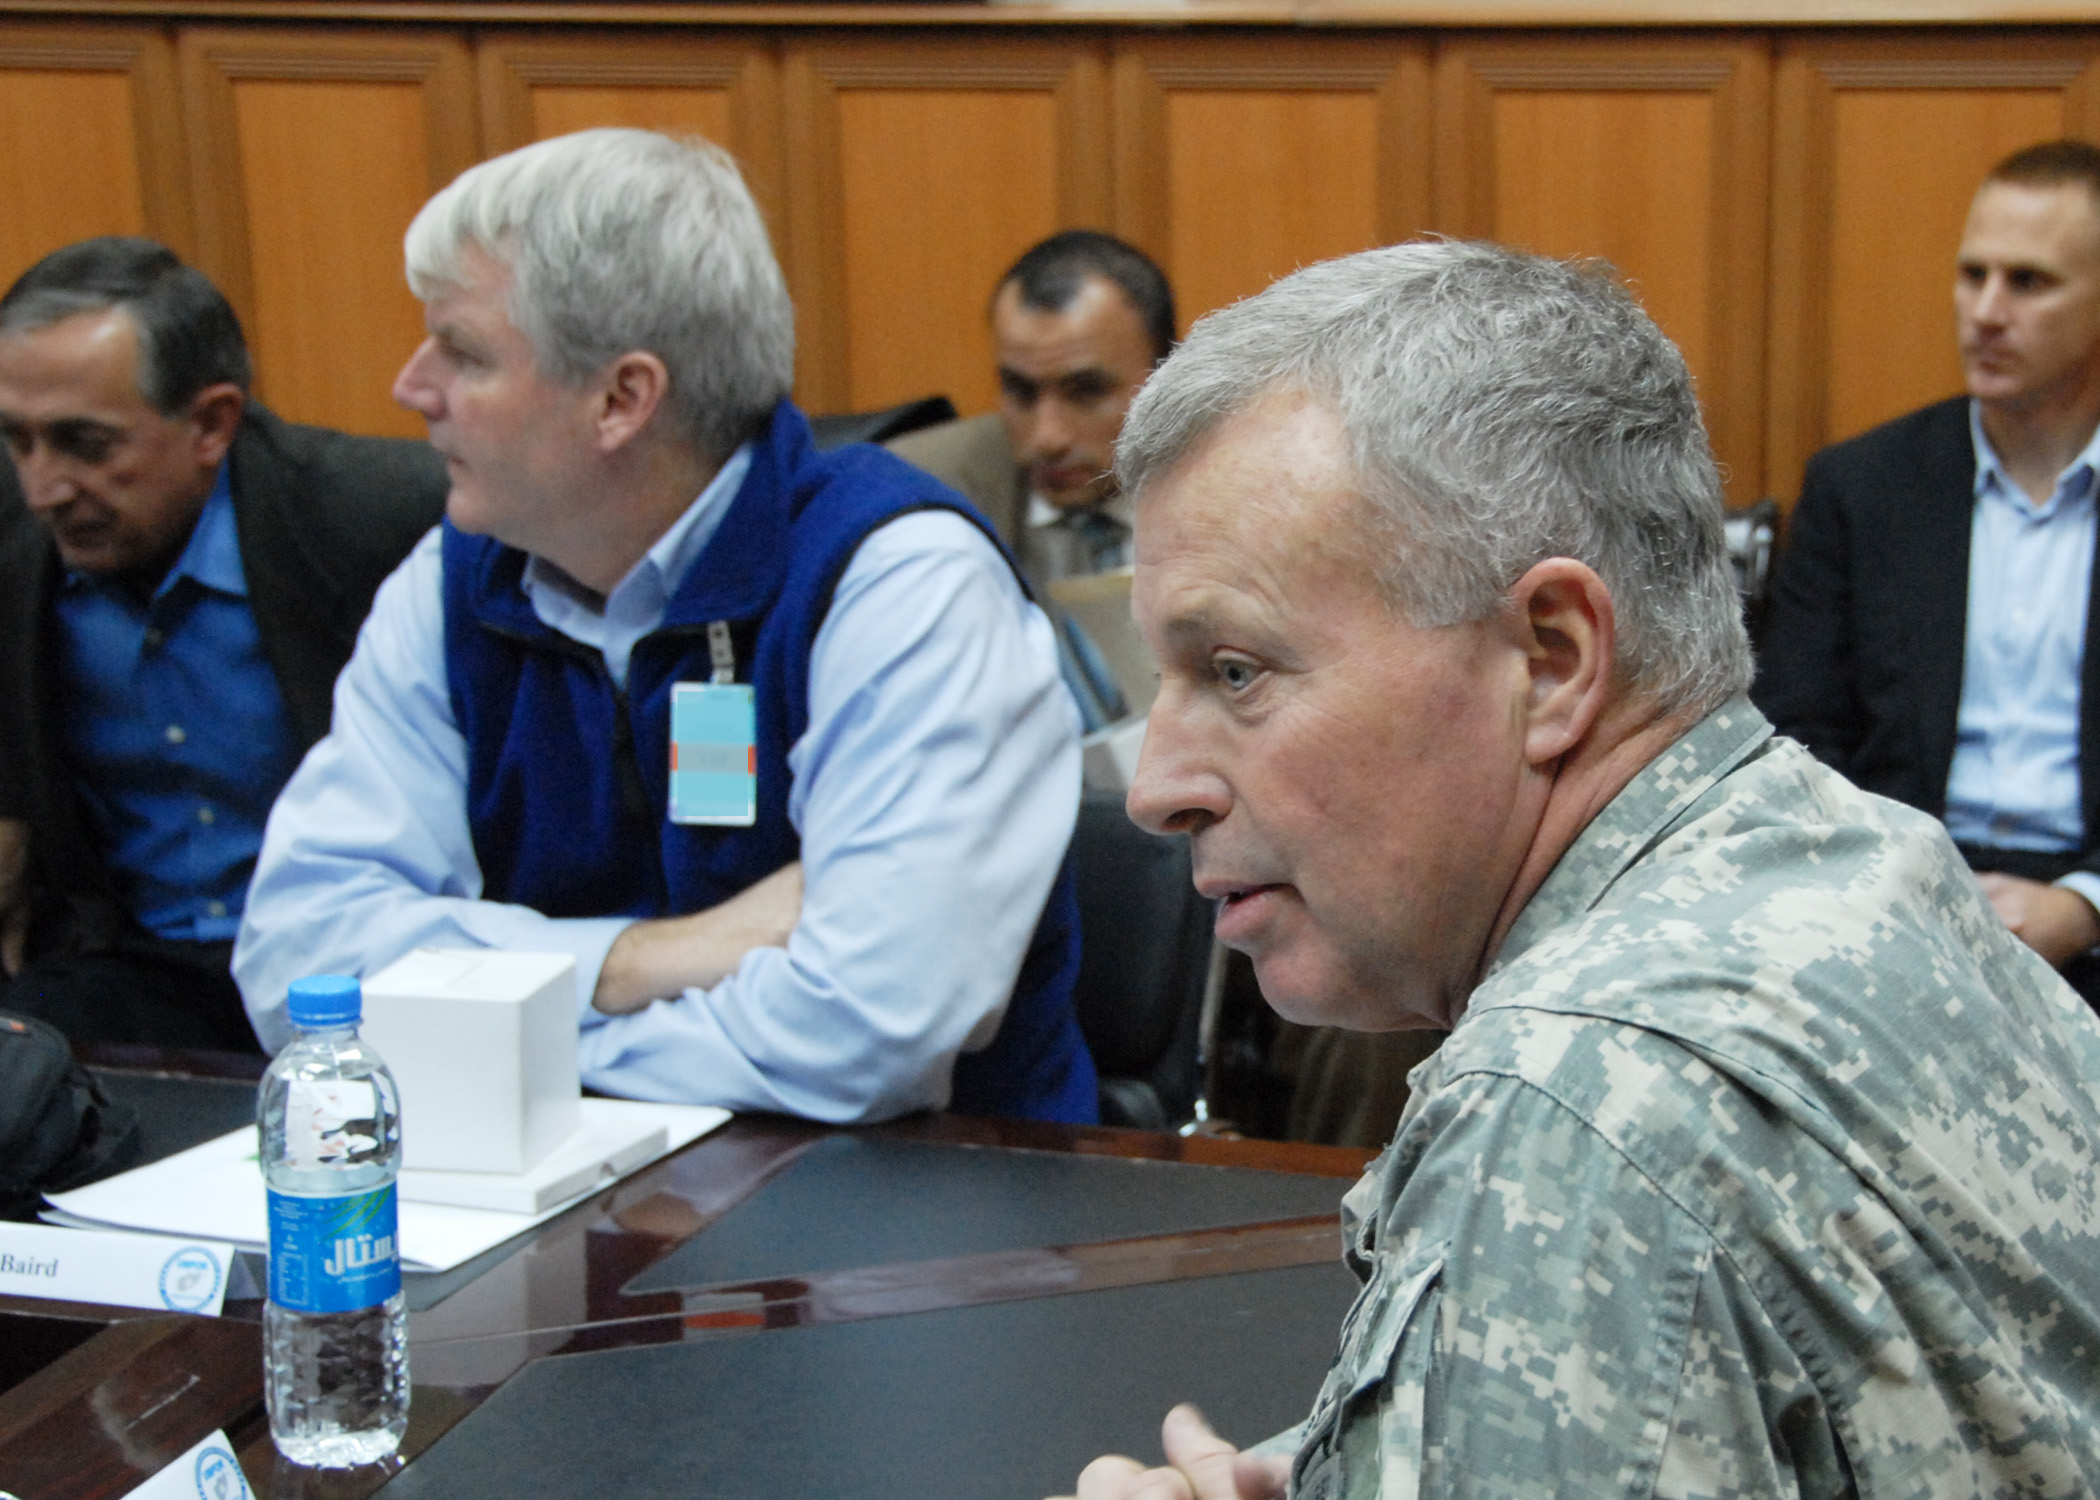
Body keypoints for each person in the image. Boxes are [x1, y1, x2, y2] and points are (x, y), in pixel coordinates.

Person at [1057, 240, 2100, 1498]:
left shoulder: (1573, 1103)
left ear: (1550, 659)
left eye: (1235, 671)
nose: (1160, 784)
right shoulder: (1853, 855)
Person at [233, 129, 1097, 1124]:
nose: (411, 388)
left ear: (621, 399)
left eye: (463, 352)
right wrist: (645, 958)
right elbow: (296, 964)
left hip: (919, 1215)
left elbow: (866, 1040)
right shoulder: (455, 580)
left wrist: (492, 1026)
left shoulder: (900, 582)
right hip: (558, 1198)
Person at [0, 238, 446, 1052]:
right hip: (134, 974)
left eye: (85, 444)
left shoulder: (384, 520)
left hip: (365, 971)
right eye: (17, 440)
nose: (44, 488)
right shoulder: (16, 550)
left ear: (212, 423)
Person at [1758, 139, 2100, 1006]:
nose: (1985, 311)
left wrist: (2084, 905)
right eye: (1972, 274)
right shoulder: (1863, 486)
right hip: (1891, 894)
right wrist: (1902, 879)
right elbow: (1795, 728)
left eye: (2029, 282)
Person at [889, 229, 1172, 586]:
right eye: (1021, 392)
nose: (1047, 438)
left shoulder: (1233, 489)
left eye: (1085, 392)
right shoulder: (919, 489)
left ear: (1166, 378)